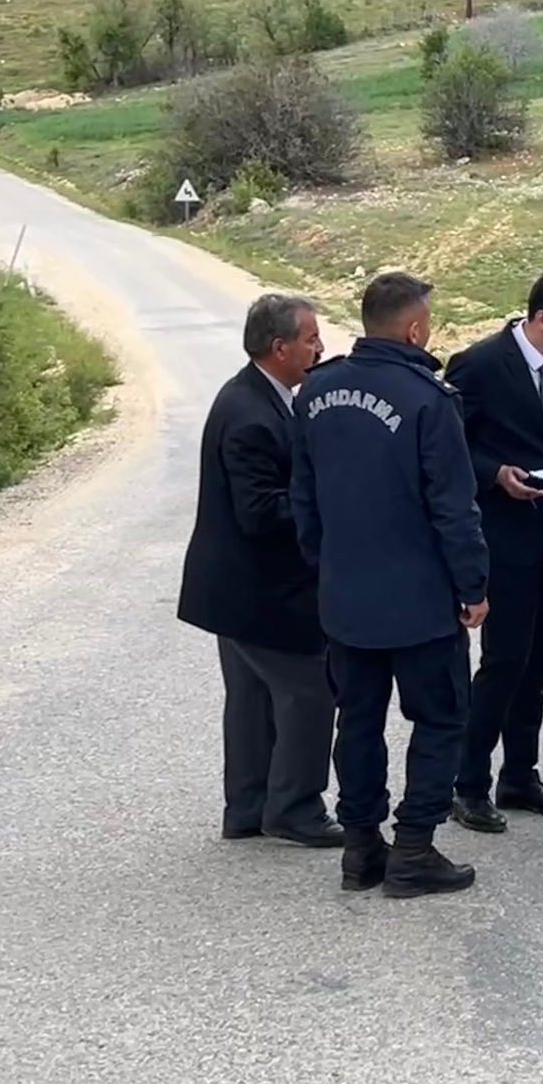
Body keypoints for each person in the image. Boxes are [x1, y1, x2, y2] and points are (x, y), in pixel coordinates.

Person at [290, 272, 489, 898]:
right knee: (440, 719)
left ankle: (360, 847)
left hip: (346, 595)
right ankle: (413, 849)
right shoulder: (429, 399)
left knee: (357, 721)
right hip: (420, 600)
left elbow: (304, 496)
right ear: (415, 329)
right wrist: (473, 586)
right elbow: (453, 508)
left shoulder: (316, 390)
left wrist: (326, 565)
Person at [177, 294, 341, 848]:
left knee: (252, 700)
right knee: (309, 693)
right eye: (311, 339)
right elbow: (259, 512)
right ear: (280, 347)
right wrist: (327, 499)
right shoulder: (250, 414)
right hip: (262, 591)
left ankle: (248, 807)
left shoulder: (260, 396)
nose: (320, 348)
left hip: (236, 591)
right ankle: (295, 809)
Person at [445, 270, 543, 833]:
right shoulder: (480, 365)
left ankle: (520, 775)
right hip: (503, 539)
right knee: (504, 660)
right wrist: (494, 474)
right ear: (540, 318)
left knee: (539, 660)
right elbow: (446, 444)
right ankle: (467, 784)